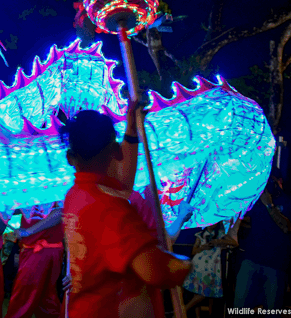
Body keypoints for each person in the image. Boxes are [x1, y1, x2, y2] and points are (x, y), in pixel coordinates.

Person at [60, 104, 192, 318]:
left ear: (70, 157)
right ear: (116, 151)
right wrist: (185, 265)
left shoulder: (76, 194)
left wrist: (131, 131)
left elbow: (122, 184)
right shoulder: (110, 207)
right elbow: (154, 271)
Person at [233, 172, 291, 316]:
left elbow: (287, 227)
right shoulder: (257, 200)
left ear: (280, 181)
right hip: (251, 260)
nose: (268, 183)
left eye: (272, 180)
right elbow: (245, 220)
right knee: (240, 308)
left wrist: (269, 205)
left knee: (271, 311)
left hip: (276, 266)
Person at [5, 205, 64, 318]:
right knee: (46, 297)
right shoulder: (31, 190)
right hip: (36, 249)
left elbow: (60, 212)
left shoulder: (56, 189)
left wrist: (28, 231)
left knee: (23, 296)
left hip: (40, 251)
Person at [182, 220, 238, 315]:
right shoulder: (200, 234)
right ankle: (182, 310)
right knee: (200, 292)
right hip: (199, 266)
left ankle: (182, 310)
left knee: (204, 292)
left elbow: (234, 243)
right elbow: (193, 251)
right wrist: (204, 247)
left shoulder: (221, 233)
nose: (211, 223)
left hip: (212, 268)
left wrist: (220, 241)